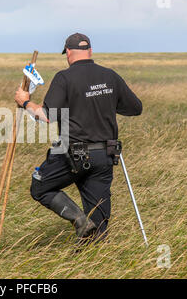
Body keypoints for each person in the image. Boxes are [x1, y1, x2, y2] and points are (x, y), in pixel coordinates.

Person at [14, 33, 142, 243]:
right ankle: (92, 246)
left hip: (73, 156)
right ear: (90, 51)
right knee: (98, 225)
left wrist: (25, 102)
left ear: (69, 53)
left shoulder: (64, 78)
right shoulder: (110, 76)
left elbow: (47, 115)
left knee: (40, 187)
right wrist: (105, 102)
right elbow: (136, 108)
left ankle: (80, 221)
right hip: (105, 155)